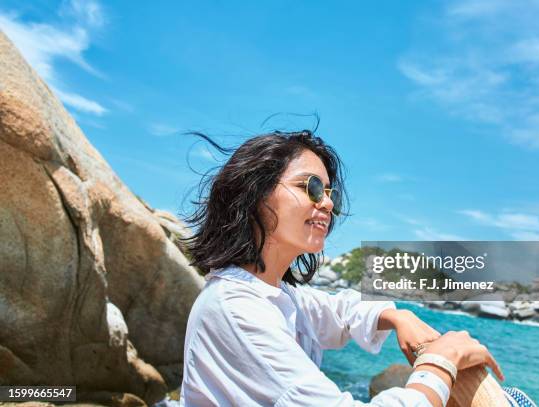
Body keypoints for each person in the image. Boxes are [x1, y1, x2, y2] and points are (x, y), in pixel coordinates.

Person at [179, 130, 504, 407]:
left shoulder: (276, 295)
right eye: (312, 187)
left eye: (329, 192)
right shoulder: (237, 310)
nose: (329, 203)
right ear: (255, 192)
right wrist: (441, 363)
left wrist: (397, 317)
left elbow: (340, 310)